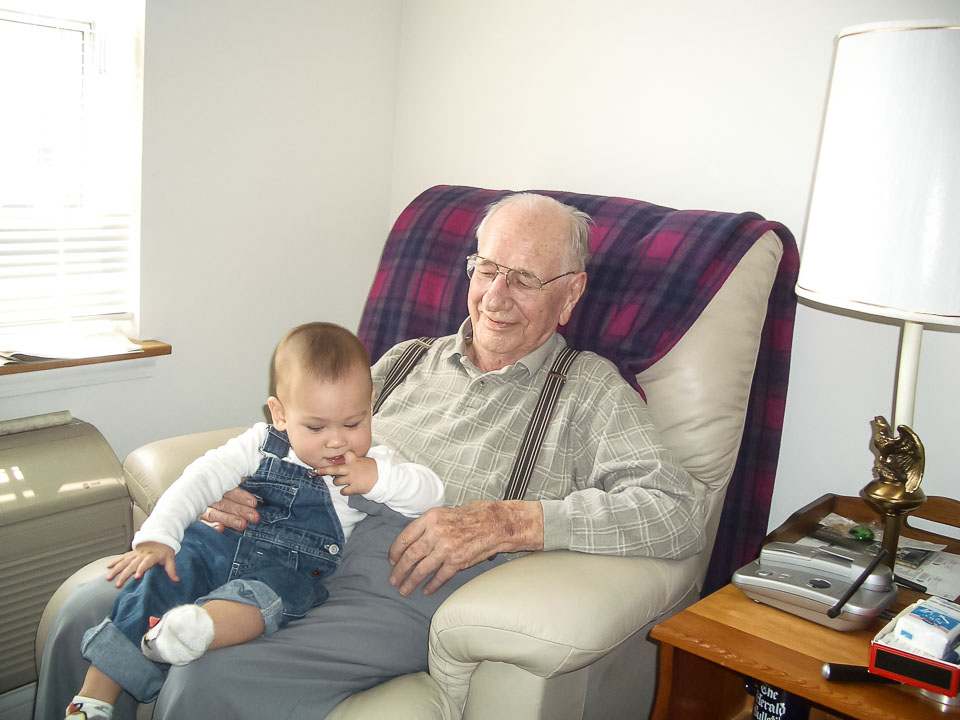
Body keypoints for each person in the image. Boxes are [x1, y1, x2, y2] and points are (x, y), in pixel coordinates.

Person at [35, 193, 705, 720]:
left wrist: (512, 521)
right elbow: (302, 428)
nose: (496, 296)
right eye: (487, 269)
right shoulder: (407, 358)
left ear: (572, 293)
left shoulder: (589, 391)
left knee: (207, 680)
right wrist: (239, 486)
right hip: (287, 532)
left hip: (398, 579)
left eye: (525, 278)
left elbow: (679, 512)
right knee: (84, 613)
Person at [62, 322, 443, 720]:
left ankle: (195, 630)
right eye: (315, 427)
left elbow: (431, 495)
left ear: (370, 406)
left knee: (270, 601)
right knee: (157, 579)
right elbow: (201, 478)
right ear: (280, 414)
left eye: (353, 424)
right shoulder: (259, 444)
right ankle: (91, 700)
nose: (337, 441)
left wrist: (379, 479)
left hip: (285, 570)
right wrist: (159, 536)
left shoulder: (374, 461)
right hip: (218, 544)